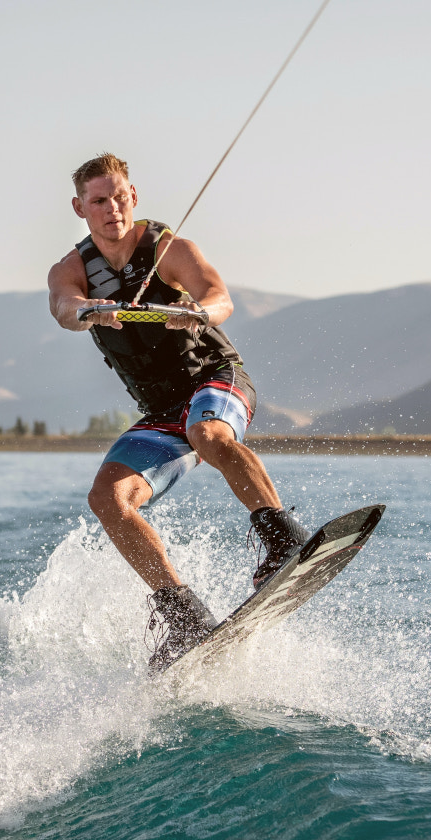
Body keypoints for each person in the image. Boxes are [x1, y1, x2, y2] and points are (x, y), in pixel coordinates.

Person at [46, 153, 311, 672]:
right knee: (108, 498)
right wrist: (87, 312)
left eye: (119, 197)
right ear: (81, 207)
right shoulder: (71, 270)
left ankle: (282, 538)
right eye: (99, 201)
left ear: (133, 197)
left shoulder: (167, 248)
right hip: (163, 409)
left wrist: (197, 311)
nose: (112, 209)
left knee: (209, 433)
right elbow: (63, 306)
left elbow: (219, 296)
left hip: (216, 378)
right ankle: (182, 612)